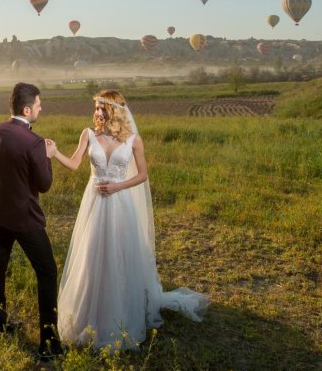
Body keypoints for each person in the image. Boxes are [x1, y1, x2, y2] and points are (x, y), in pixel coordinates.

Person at [47, 90, 209, 351]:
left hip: (120, 203)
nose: (98, 113)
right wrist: (55, 153)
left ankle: (118, 317)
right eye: (97, 108)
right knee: (91, 254)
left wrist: (118, 186)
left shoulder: (133, 140)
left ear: (116, 111)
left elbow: (143, 175)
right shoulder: (88, 134)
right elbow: (75, 164)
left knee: (120, 256)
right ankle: (87, 315)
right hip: (95, 204)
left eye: (103, 108)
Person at [0, 82, 63, 359]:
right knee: (47, 272)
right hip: (25, 217)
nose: (41, 109)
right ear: (27, 109)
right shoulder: (35, 143)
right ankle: (48, 342)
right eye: (39, 106)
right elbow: (44, 185)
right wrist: (50, 155)